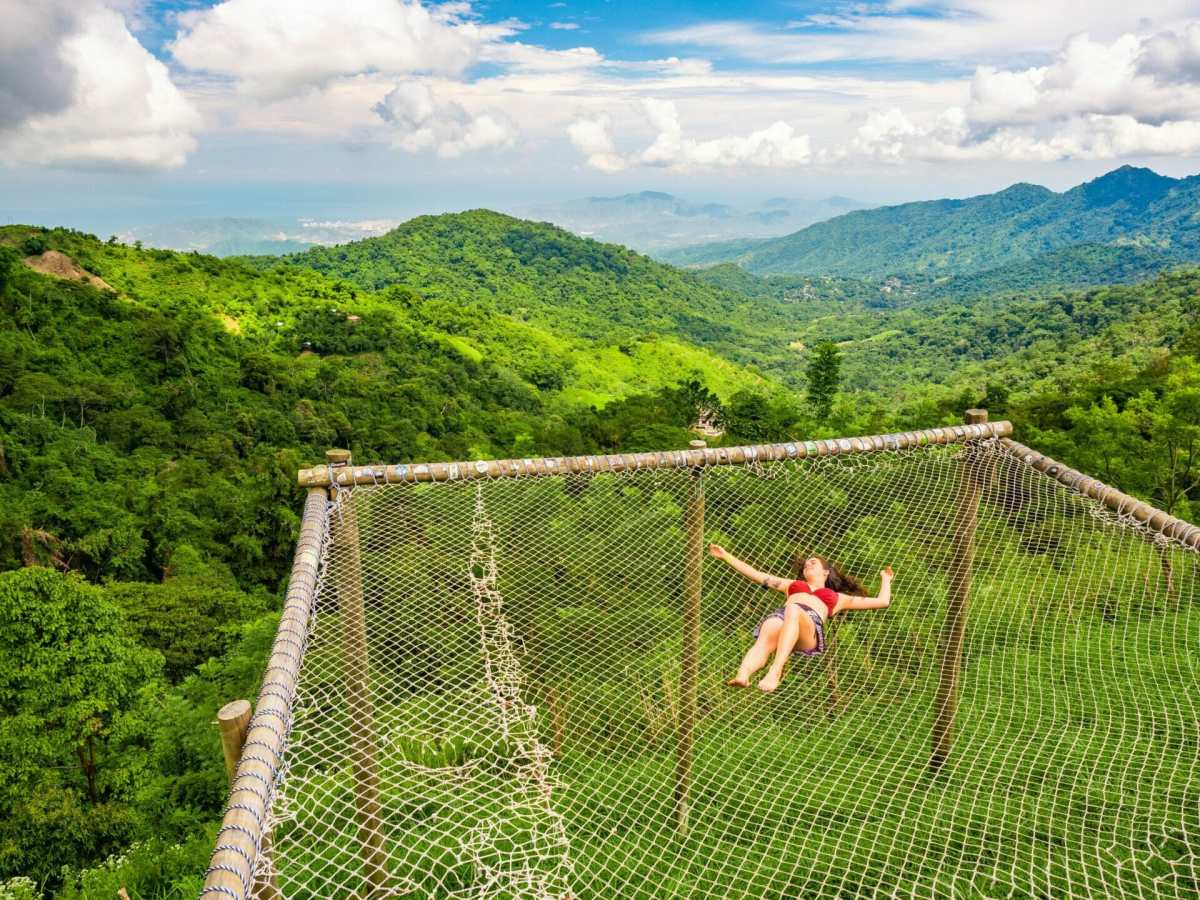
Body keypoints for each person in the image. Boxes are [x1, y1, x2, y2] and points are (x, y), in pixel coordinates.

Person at [709, 544, 894, 692]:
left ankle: (776, 670)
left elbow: (882, 601)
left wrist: (885, 580)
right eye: (806, 563)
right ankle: (743, 675)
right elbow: (756, 574)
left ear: (826, 572)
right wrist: (726, 556)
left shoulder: (838, 598)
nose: (808, 564)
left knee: (794, 610)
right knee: (767, 633)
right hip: (784, 617)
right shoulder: (792, 585)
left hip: (808, 627)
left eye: (813, 562)